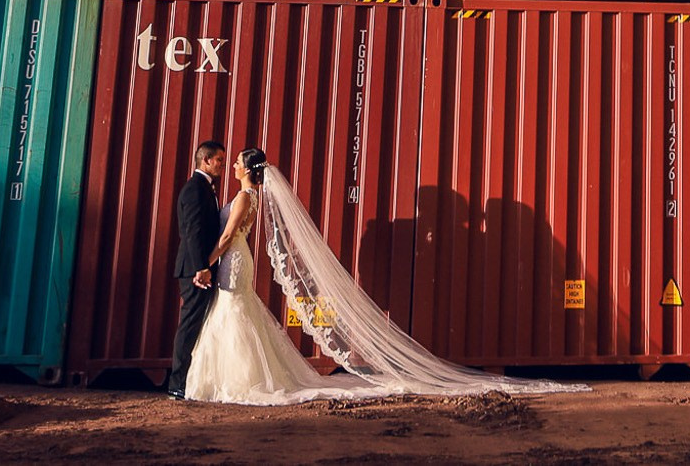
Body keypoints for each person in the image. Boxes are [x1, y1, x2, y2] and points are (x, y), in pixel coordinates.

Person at [179, 146, 583, 405]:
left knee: (235, 314)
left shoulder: (244, 197)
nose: (231, 164)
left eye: (235, 161)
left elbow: (228, 235)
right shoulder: (251, 196)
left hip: (231, 259)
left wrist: (208, 262)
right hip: (237, 260)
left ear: (248, 169)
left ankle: (233, 379)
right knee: (238, 314)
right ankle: (236, 375)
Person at [165, 140, 226, 399]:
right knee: (189, 326)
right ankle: (177, 383)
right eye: (219, 160)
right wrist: (202, 267)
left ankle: (188, 380)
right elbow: (192, 232)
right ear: (206, 160)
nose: (222, 165)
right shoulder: (195, 189)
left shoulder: (204, 188)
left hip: (200, 268)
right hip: (195, 270)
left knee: (197, 324)